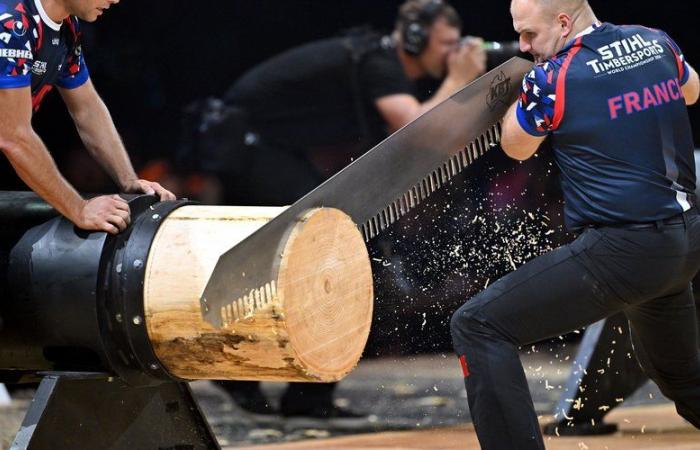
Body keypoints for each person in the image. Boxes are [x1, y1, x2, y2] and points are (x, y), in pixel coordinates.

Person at [210, 0, 487, 420]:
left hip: (264, 147)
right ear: (414, 39)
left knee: (336, 246)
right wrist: (460, 80)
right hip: (245, 146)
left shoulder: (377, 61)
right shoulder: (381, 63)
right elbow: (415, 130)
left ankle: (292, 390)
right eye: (447, 43)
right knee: (328, 245)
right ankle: (266, 380)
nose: (455, 52)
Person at [449, 0, 700, 448]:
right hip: (682, 247)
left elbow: (517, 148)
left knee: (477, 324)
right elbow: (693, 90)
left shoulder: (551, 78)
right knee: (682, 381)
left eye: (529, 35)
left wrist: (513, 94)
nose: (524, 47)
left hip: (623, 252)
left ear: (564, 23)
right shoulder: (655, 40)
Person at [0, 0, 175, 235]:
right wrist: (79, 209)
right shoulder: (10, 21)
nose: (115, 0)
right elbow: (13, 136)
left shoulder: (67, 27)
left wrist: (128, 180)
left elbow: (87, 108)